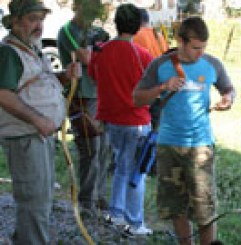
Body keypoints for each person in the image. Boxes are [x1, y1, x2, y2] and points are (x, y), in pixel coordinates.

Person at [133, 16, 235, 245]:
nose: (200, 53)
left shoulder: (212, 64)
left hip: (200, 145)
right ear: (180, 40)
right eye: (195, 48)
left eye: (203, 47)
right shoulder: (160, 65)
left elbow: (228, 89)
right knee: (175, 205)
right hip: (168, 143)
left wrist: (228, 99)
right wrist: (161, 87)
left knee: (204, 207)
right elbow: (137, 98)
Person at [0, 0, 79, 244]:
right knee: (34, 203)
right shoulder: (9, 52)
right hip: (26, 136)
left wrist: (65, 76)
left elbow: (39, 80)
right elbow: (4, 94)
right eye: (33, 19)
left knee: (40, 201)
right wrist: (38, 119)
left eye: (41, 19)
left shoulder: (30, 48)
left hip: (37, 135)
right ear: (15, 21)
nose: (39, 25)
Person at [88, 3, 154, 236]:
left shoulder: (101, 51)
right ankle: (134, 223)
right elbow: (153, 84)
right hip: (135, 120)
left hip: (110, 119)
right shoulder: (142, 55)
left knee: (121, 167)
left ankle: (117, 213)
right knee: (136, 172)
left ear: (116, 24)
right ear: (137, 27)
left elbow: (93, 74)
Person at [57, 0, 110, 212]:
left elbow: (108, 57)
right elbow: (87, 58)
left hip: (100, 94)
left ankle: (99, 196)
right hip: (80, 95)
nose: (90, 17)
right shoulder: (67, 31)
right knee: (90, 148)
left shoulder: (97, 30)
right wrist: (96, 46)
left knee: (104, 148)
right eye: (86, 11)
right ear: (76, 8)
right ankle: (86, 202)